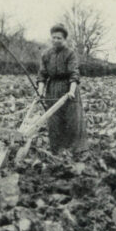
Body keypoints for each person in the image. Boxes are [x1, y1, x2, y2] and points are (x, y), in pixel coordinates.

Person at [36, 24, 87, 154]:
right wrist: (40, 91)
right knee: (54, 120)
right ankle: (56, 149)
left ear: (64, 39)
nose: (56, 40)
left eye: (59, 38)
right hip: (52, 89)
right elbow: (42, 74)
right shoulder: (46, 54)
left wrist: (71, 91)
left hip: (68, 88)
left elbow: (74, 74)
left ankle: (75, 150)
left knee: (72, 120)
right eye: (54, 37)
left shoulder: (70, 54)